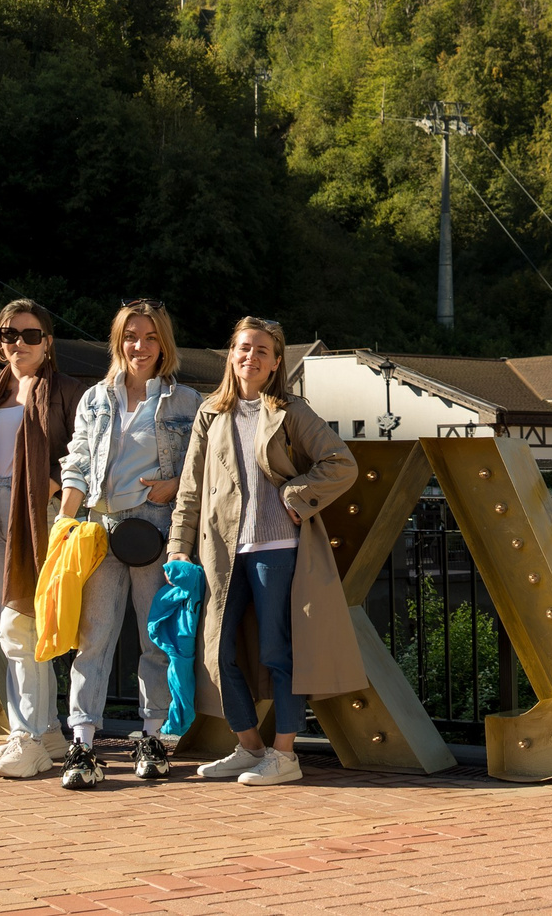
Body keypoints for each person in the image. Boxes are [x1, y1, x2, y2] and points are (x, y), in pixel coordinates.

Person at [169, 315, 365, 787]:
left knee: (278, 651)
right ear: (230, 356)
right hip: (221, 551)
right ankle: (249, 747)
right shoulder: (210, 414)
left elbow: (341, 463)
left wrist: (296, 495)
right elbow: (190, 489)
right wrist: (178, 546)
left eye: (261, 350)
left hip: (277, 549)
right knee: (219, 653)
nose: (250, 357)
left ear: (276, 362)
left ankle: (285, 755)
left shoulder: (292, 411)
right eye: (243, 348)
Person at [55, 299, 202, 790]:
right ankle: (82, 743)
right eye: (131, 336)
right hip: (101, 527)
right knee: (92, 639)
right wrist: (64, 522)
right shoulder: (96, 398)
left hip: (157, 530)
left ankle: (152, 736)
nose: (141, 346)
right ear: (118, 341)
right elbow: (76, 462)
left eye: (151, 337)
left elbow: (204, 471)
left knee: (153, 638)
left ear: (165, 345)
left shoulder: (187, 402)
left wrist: (175, 482)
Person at [0, 298, 80, 777]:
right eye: (10, 334)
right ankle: (46, 731)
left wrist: (49, 485)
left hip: (38, 512)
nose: (19, 343)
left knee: (21, 626)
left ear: (48, 341)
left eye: (30, 335)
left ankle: (25, 736)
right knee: (14, 631)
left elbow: (84, 452)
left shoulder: (66, 390)